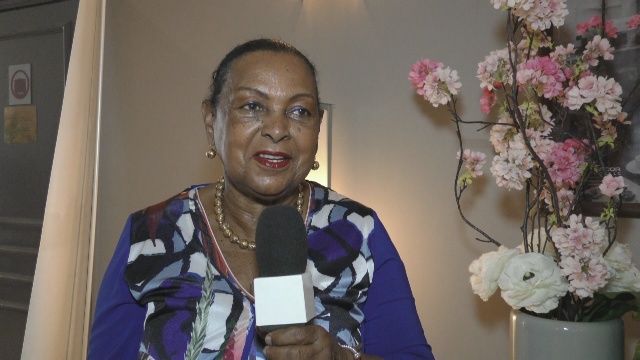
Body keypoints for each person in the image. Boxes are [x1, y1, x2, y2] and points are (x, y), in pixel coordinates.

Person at [88, 38, 435, 360]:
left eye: (300, 111)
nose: (278, 128)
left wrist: (343, 358)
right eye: (253, 106)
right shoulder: (150, 235)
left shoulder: (359, 232)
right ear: (212, 122)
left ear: (317, 128)